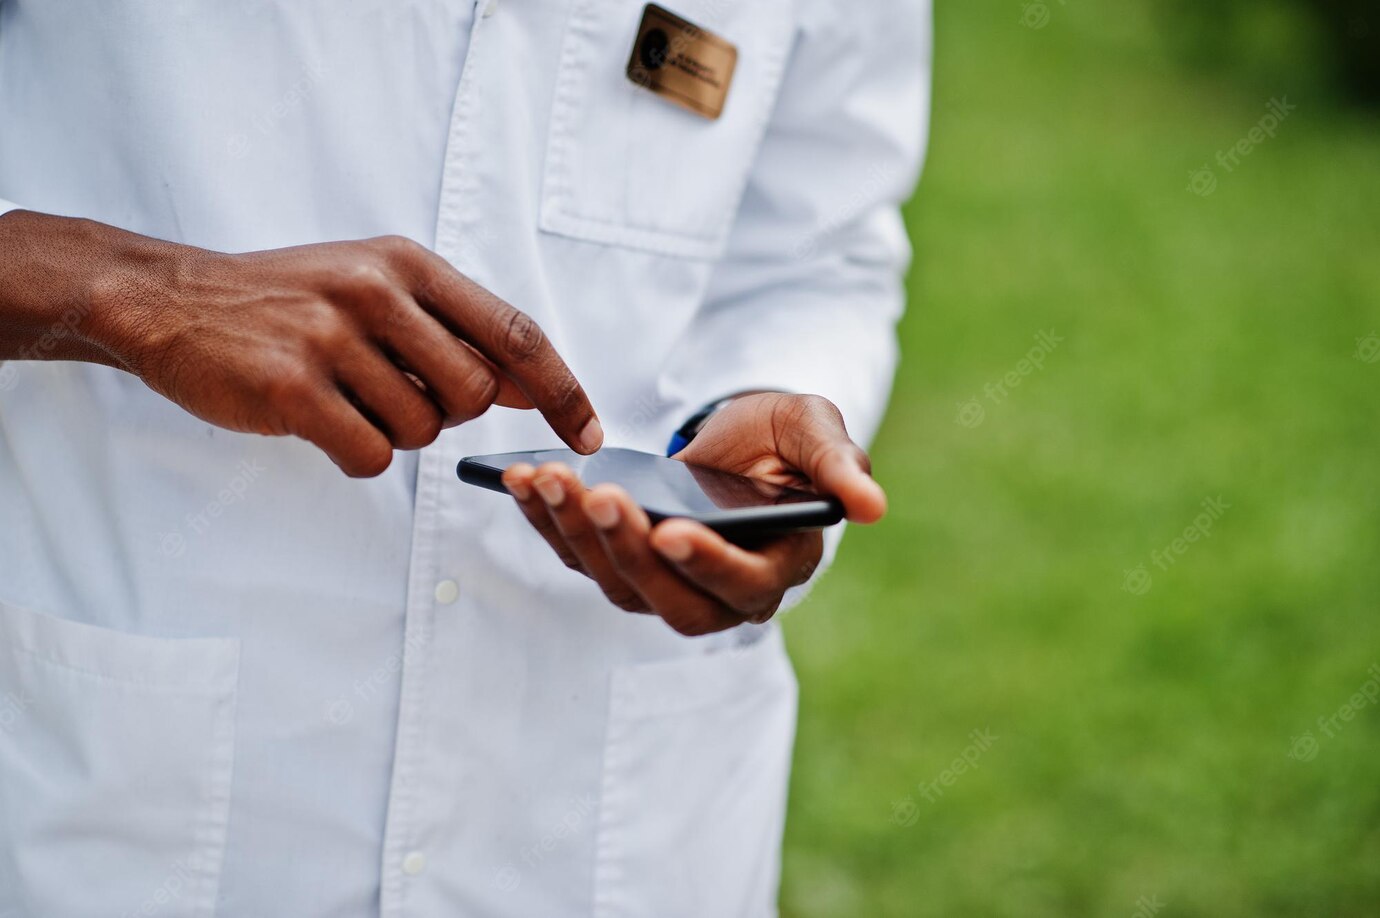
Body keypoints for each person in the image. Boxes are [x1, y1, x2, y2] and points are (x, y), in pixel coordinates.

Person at [0, 0, 929, 914]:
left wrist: (742, 438)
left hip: (623, 810)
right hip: (135, 781)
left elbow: (816, 256)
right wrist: (134, 297)